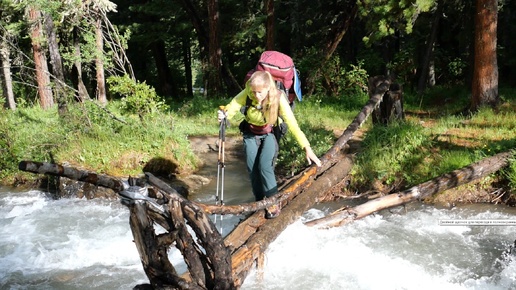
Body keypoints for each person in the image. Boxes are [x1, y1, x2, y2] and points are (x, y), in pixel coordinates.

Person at [217, 70, 322, 218]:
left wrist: (307, 148)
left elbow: (293, 124)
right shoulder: (248, 92)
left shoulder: (278, 98)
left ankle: (273, 202)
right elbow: (234, 104)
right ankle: (259, 202)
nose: (256, 96)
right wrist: (225, 113)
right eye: (253, 92)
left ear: (268, 88)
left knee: (265, 166)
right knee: (252, 169)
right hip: (250, 133)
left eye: (260, 92)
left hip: (270, 134)